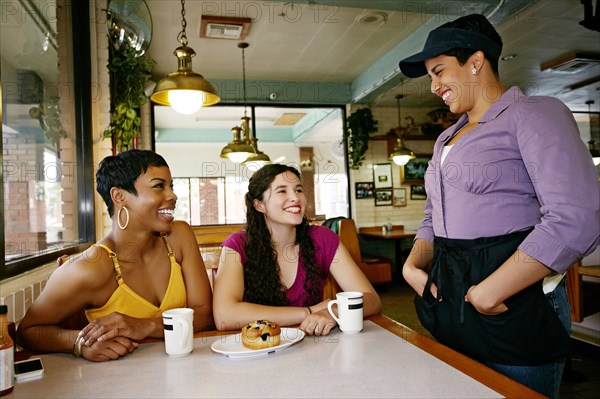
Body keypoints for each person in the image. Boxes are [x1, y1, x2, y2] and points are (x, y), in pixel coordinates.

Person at [399, 14, 599, 399]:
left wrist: (490, 292)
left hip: (510, 301)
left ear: (476, 62)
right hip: (451, 296)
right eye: (430, 76)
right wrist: (412, 265)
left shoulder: (535, 113)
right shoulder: (446, 139)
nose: (434, 86)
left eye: (439, 71)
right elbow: (432, 215)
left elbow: (576, 215)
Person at [17, 150, 213, 361]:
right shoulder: (90, 267)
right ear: (119, 196)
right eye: (159, 186)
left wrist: (143, 326)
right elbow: (28, 331)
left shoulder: (179, 236)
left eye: (171, 186)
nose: (172, 195)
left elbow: (204, 314)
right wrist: (79, 343)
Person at [212, 164, 381, 335]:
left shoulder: (323, 239)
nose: (295, 197)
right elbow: (224, 316)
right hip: (256, 351)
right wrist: (307, 312)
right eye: (282, 191)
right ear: (259, 205)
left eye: (298, 190)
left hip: (311, 347)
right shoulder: (237, 245)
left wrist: (334, 312)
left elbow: (371, 299)